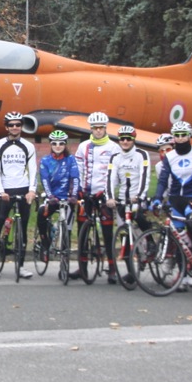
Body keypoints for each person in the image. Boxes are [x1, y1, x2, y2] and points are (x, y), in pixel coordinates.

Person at [152, 120, 192, 288]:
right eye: (177, 135)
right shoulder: (170, 157)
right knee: (176, 236)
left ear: (189, 135)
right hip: (176, 199)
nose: (180, 138)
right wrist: (157, 198)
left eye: (183, 135)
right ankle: (183, 274)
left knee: (191, 227)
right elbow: (163, 180)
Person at [0, 111, 38, 280]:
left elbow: (33, 170)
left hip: (24, 189)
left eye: (18, 124)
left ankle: (22, 266)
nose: (15, 127)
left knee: (22, 228)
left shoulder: (28, 146)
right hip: (6, 190)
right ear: (6, 127)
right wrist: (0, 191)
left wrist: (32, 190)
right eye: (12, 125)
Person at [74, 111, 116, 283]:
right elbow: (78, 170)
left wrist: (109, 192)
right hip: (87, 193)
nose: (98, 131)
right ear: (90, 128)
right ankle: (81, 267)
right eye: (95, 128)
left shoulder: (114, 147)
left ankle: (112, 268)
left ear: (105, 128)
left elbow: (116, 173)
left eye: (101, 128)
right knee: (82, 231)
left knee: (107, 233)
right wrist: (79, 190)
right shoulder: (83, 146)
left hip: (105, 194)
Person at [106, 125, 150, 285]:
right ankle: (131, 272)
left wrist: (140, 196)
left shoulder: (142, 155)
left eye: (128, 138)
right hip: (122, 201)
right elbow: (110, 178)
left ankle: (150, 241)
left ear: (133, 139)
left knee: (139, 219)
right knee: (125, 236)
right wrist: (110, 197)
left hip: (137, 198)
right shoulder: (115, 157)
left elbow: (145, 177)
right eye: (122, 139)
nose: (125, 141)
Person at [37, 129, 80, 262]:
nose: (57, 146)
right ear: (50, 144)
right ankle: (44, 242)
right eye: (54, 143)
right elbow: (44, 180)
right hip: (52, 198)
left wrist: (73, 196)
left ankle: (64, 261)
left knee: (67, 229)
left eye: (61, 143)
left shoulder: (71, 159)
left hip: (67, 198)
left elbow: (75, 178)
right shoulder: (45, 161)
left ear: (65, 144)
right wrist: (50, 197)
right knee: (40, 214)